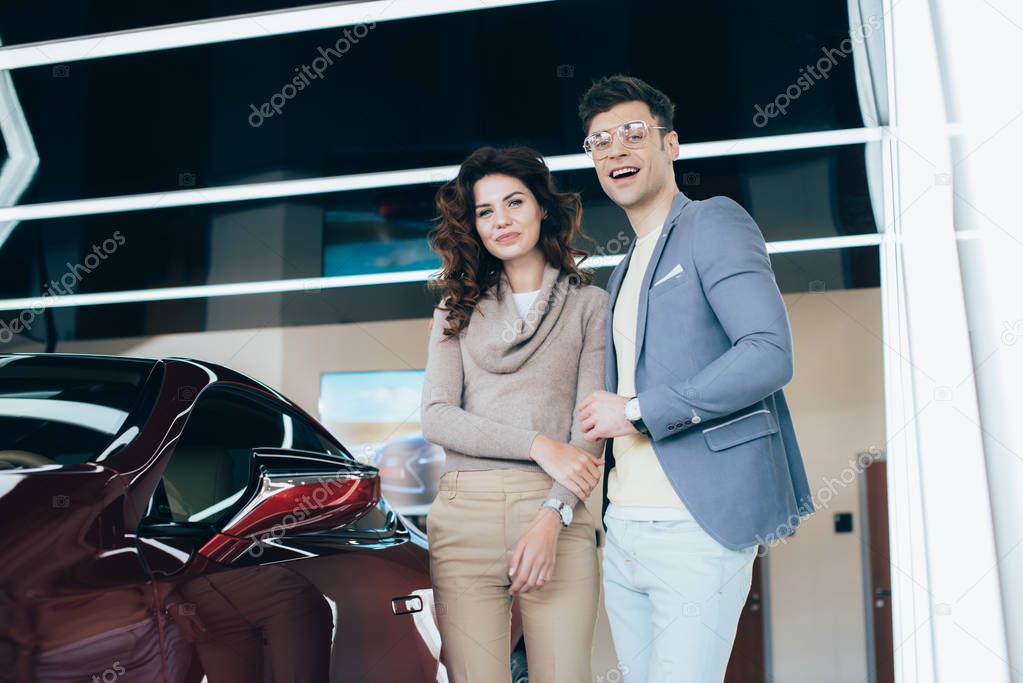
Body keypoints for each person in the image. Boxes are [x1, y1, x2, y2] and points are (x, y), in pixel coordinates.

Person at [576, 75, 816, 683]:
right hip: (625, 525)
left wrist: (633, 410)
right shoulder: (624, 268)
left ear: (672, 144)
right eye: (599, 142)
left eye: (634, 134)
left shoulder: (713, 222)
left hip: (694, 521)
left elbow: (767, 352)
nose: (615, 151)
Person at [421, 146, 609, 683]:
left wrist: (553, 517)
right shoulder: (454, 308)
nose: (501, 220)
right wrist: (538, 445)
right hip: (463, 519)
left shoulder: (589, 306)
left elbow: (589, 429)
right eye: (485, 211)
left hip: (555, 515)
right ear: (473, 225)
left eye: (514, 202)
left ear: (542, 209)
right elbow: (436, 417)